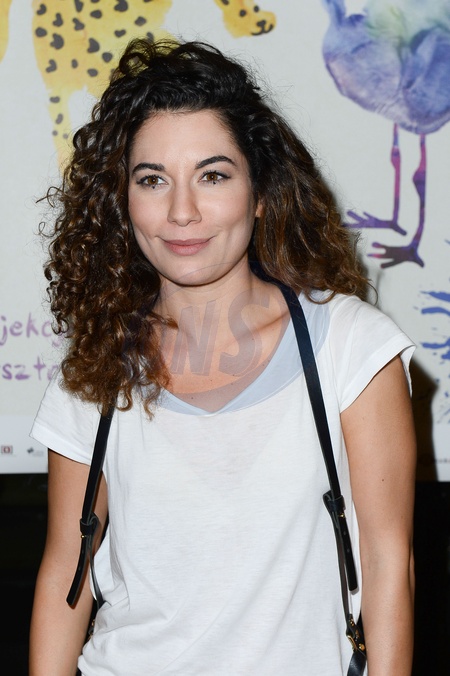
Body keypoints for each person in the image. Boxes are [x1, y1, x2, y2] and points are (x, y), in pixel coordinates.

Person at [29, 38, 416, 676]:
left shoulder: (351, 346)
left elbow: (387, 561)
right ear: (123, 202)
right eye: (152, 180)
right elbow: (63, 574)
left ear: (259, 192)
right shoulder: (98, 366)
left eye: (213, 176)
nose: (182, 212)